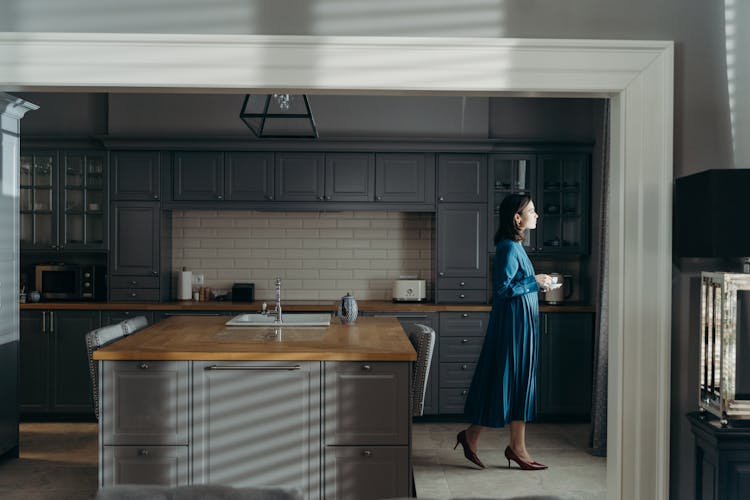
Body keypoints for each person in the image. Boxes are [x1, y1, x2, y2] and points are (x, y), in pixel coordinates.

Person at [454, 193, 552, 471]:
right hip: (512, 329)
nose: (536, 215)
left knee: (518, 384)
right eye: (531, 211)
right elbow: (501, 291)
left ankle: (510, 445)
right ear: (517, 218)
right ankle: (493, 441)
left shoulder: (518, 247)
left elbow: (519, 285)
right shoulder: (508, 248)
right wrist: (534, 281)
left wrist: (537, 283)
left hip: (523, 326)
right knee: (506, 383)